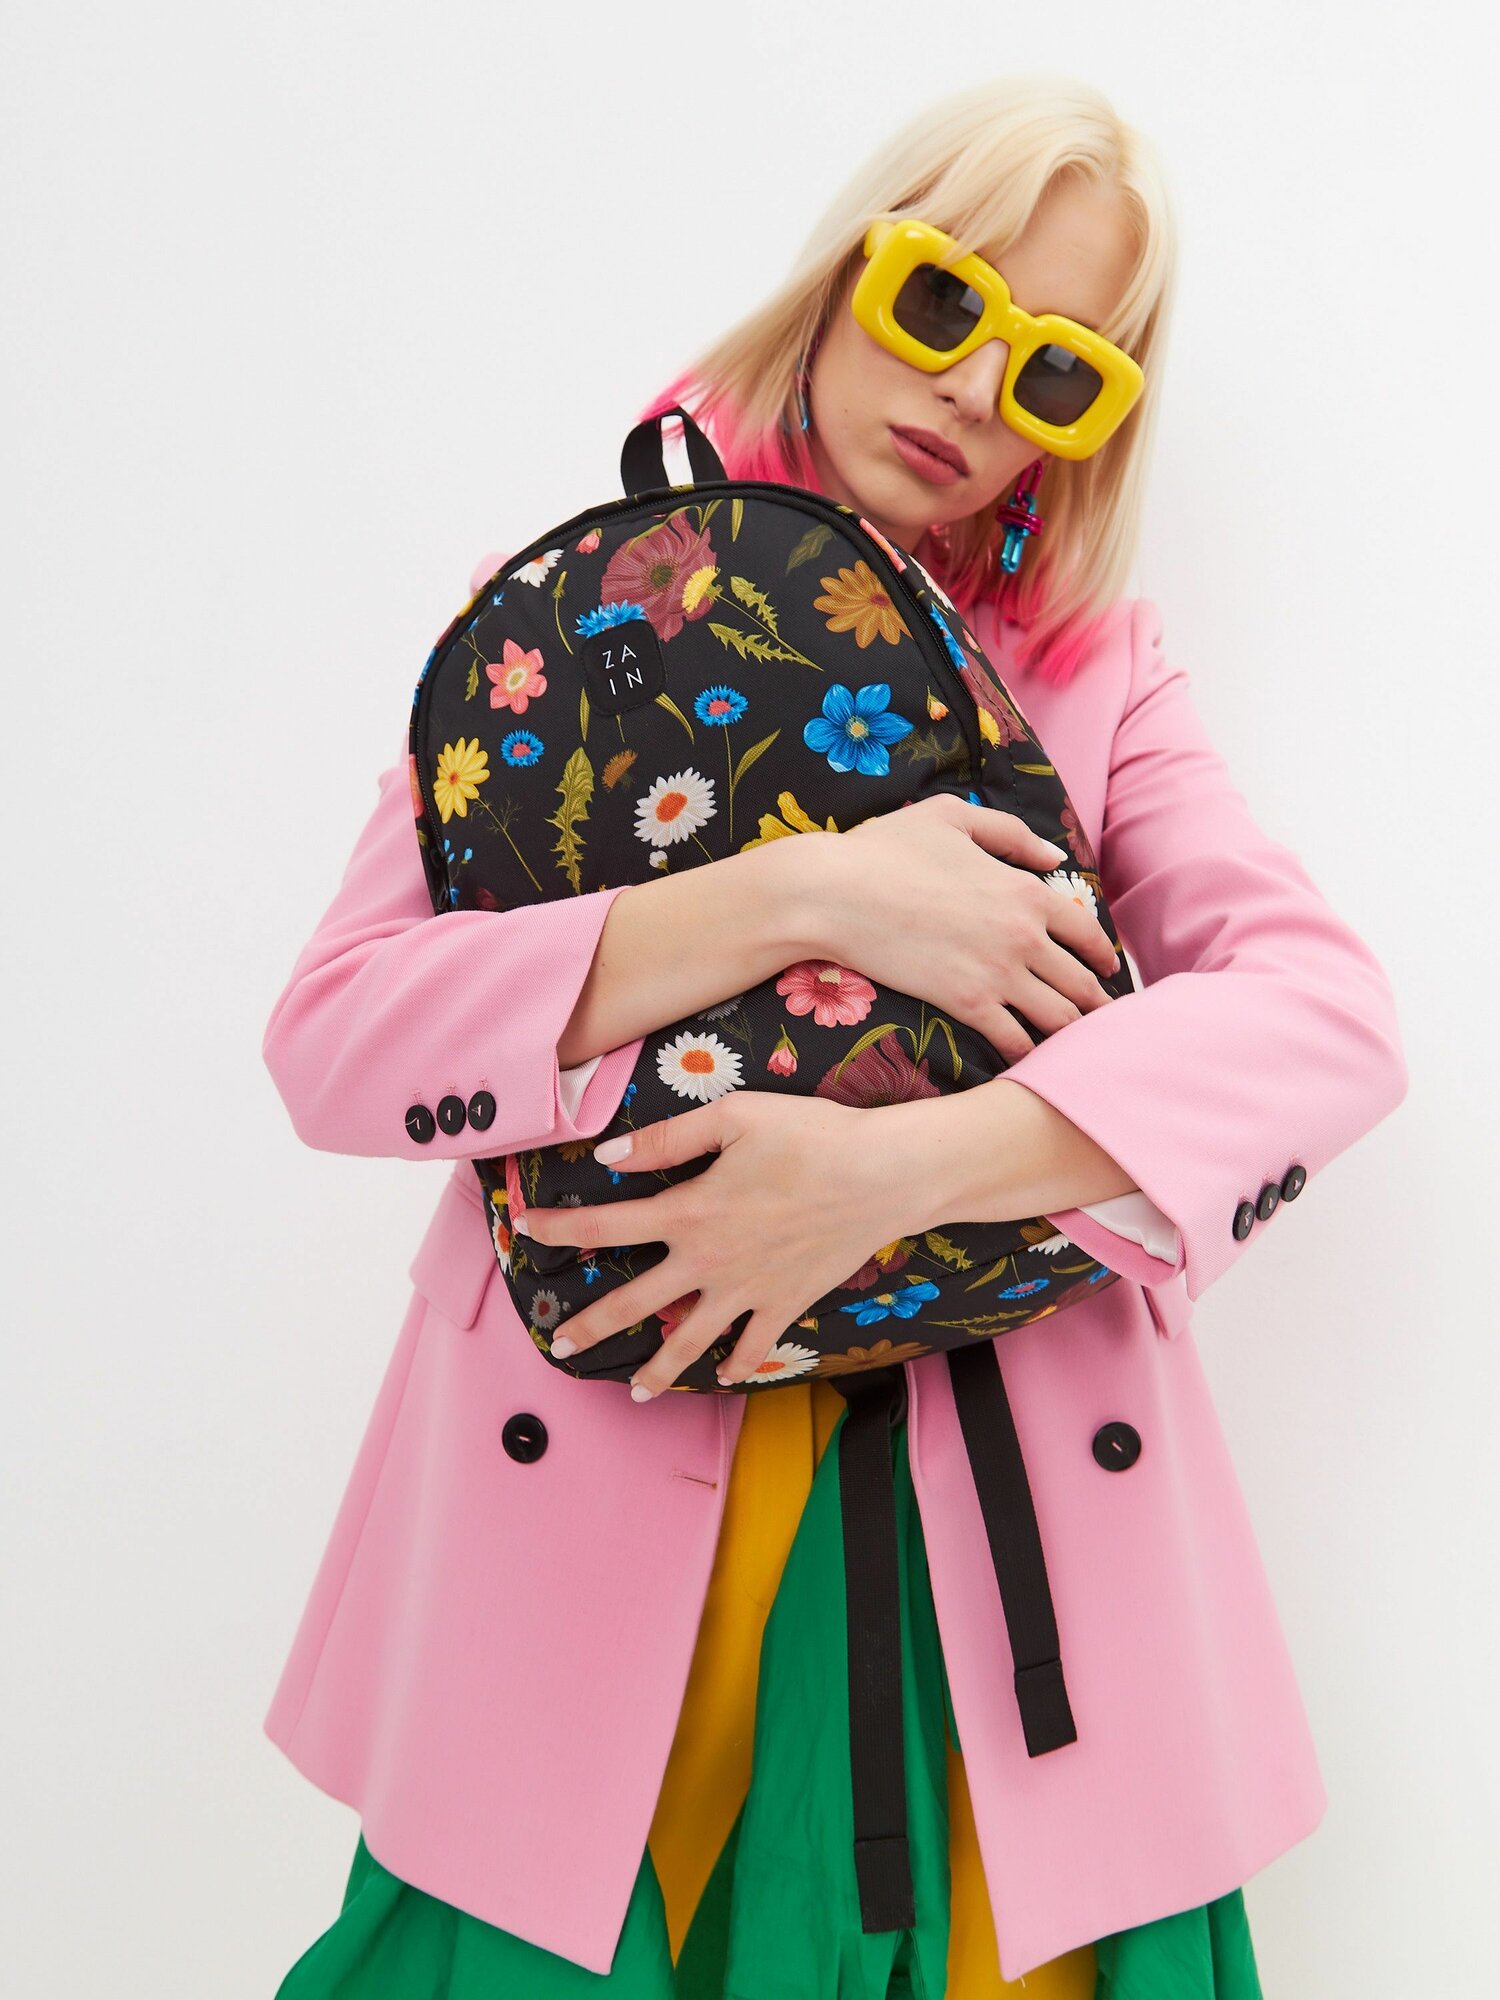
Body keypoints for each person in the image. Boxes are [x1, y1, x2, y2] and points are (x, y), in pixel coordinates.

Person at [262, 75, 1409, 1998]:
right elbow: (337, 1039)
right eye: (943, 299)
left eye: (1058, 373)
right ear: (846, 274)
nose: (972, 389)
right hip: (604, 1452)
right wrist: (807, 892)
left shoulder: (1097, 681)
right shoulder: (564, 629)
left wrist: (885, 1174)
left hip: (1004, 1503)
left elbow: (1326, 1024)